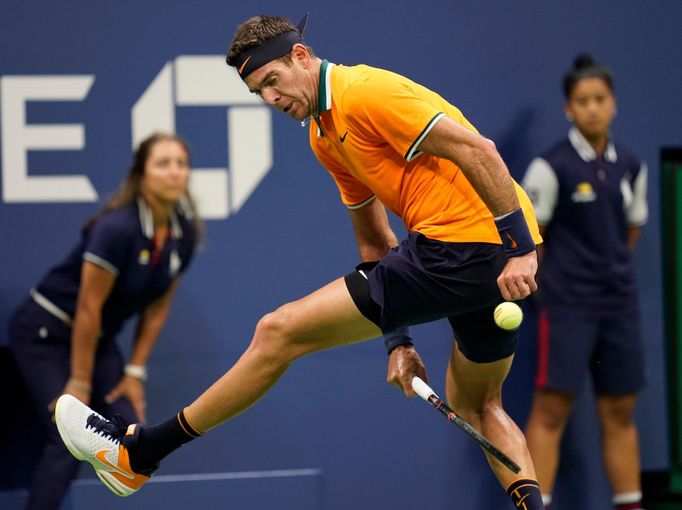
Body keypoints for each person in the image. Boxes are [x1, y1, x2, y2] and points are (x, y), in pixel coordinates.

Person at [55, 14, 545, 508]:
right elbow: (376, 245)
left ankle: (139, 453)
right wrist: (399, 340)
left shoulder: (364, 93)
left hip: (468, 247)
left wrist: (521, 248)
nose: (270, 99)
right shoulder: (323, 135)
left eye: (272, 81)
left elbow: (477, 149)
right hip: (477, 261)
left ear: (301, 57)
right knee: (480, 406)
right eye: (258, 93)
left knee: (278, 331)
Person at [8, 132, 201, 509]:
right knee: (67, 438)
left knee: (132, 438)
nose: (174, 172)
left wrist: (134, 372)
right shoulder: (116, 229)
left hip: (95, 339)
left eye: (181, 164)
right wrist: (78, 382)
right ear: (141, 174)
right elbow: (88, 307)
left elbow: (157, 307)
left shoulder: (184, 233)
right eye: (163, 163)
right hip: (45, 332)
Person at [522, 54, 648, 510]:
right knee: (551, 411)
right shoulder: (549, 167)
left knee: (620, 411)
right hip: (567, 306)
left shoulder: (632, 165)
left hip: (619, 305)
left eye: (600, 99)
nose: (593, 108)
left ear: (612, 103)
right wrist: (556, 286)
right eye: (582, 101)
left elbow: (630, 228)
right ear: (568, 110)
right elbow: (532, 236)